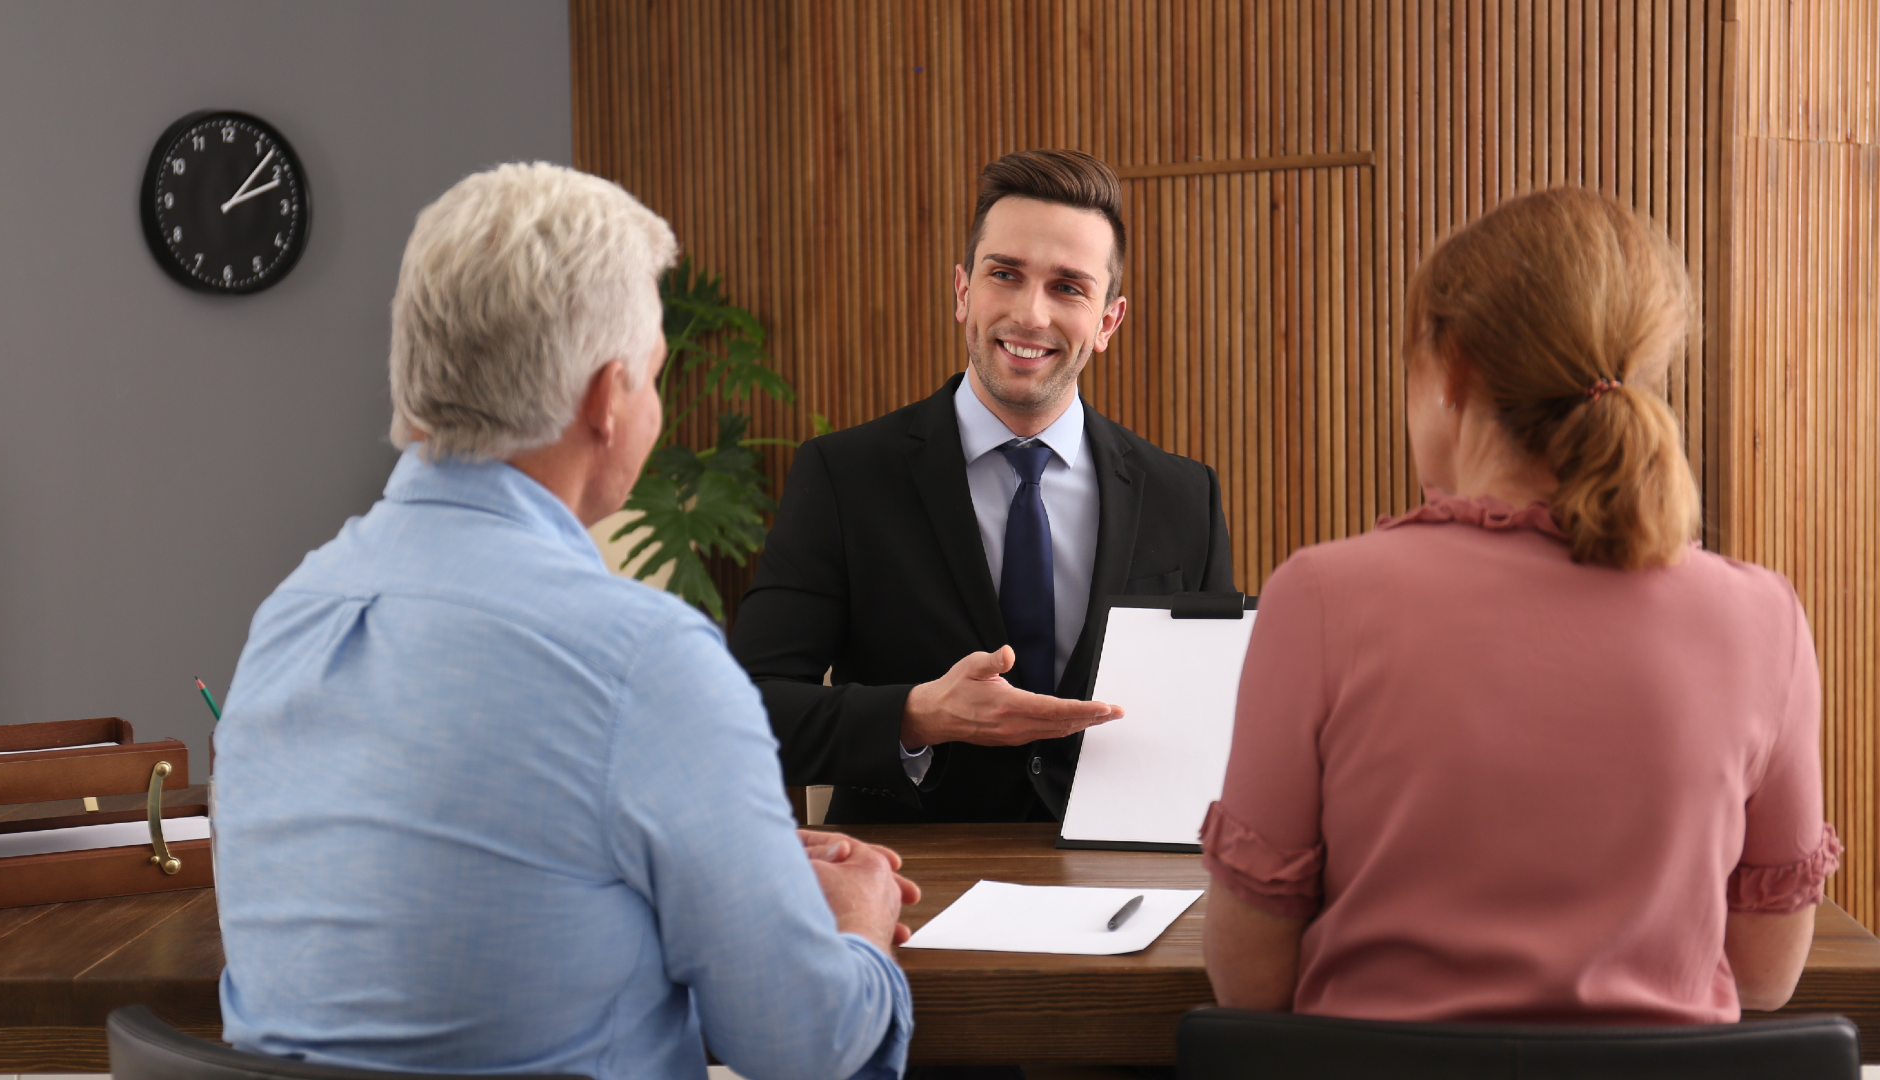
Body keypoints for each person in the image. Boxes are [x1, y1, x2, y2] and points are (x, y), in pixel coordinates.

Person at [212, 163, 917, 1080]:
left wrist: (717, 856)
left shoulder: (287, 618)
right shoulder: (646, 662)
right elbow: (805, 1046)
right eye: (657, 377)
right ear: (607, 398)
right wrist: (860, 925)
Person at [1200, 187, 1840, 1023]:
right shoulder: (1766, 621)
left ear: (1453, 369)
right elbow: (1764, 976)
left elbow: (1249, 982)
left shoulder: (1319, 598)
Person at [731, 149, 1235, 825]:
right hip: (909, 894)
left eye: (1068, 287)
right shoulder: (843, 476)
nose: (1030, 315)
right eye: (1006, 275)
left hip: (1122, 892)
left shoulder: (1185, 497)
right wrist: (916, 716)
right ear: (964, 289)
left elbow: (1212, 724)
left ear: (1108, 321)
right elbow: (744, 710)